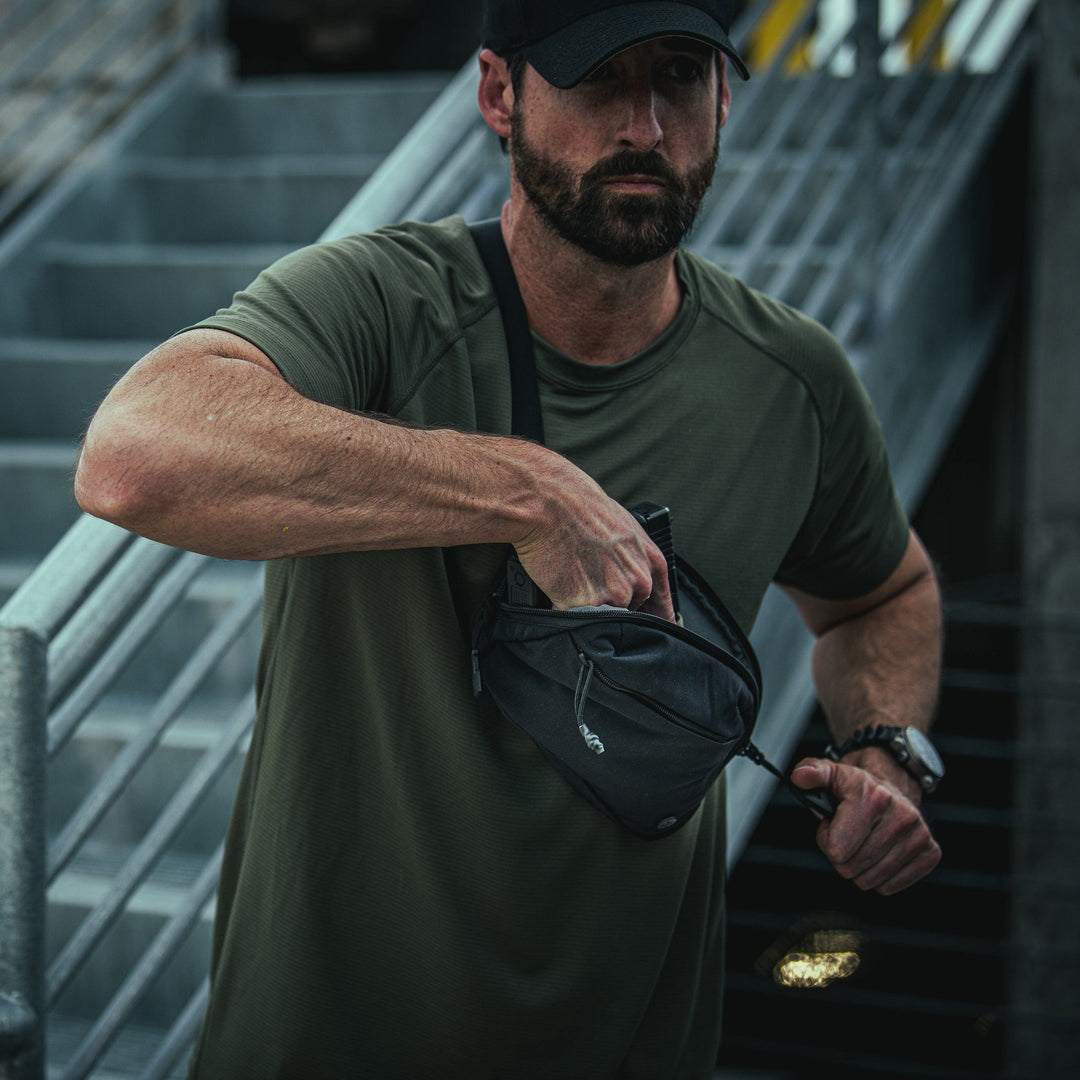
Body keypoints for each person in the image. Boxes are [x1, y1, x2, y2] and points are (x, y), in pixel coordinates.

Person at [74, 2, 943, 1077]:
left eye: (679, 76)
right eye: (594, 79)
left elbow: (881, 595)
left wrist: (888, 752)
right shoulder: (384, 302)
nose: (643, 124)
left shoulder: (794, 381)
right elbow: (132, 453)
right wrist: (520, 491)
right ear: (497, 95)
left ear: (723, 98)